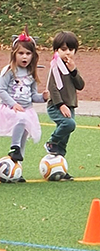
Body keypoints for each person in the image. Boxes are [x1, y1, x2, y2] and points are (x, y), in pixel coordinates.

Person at [0, 28, 49, 173]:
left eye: (28, 54)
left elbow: (32, 95)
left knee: (24, 135)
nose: (24, 57)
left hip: (26, 109)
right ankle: (14, 147)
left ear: (33, 56)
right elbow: (1, 90)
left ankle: (17, 167)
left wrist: (43, 97)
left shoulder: (31, 72)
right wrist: (13, 104)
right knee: (21, 119)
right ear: (14, 54)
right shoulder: (9, 70)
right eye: (21, 53)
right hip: (10, 108)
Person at [44, 31, 85, 179]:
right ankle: (51, 142)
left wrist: (73, 71)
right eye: (63, 49)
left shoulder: (70, 67)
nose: (67, 52)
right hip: (56, 106)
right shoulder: (56, 67)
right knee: (69, 124)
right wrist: (60, 104)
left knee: (65, 139)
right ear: (56, 51)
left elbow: (80, 85)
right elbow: (53, 88)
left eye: (71, 49)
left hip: (70, 106)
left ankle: (59, 167)